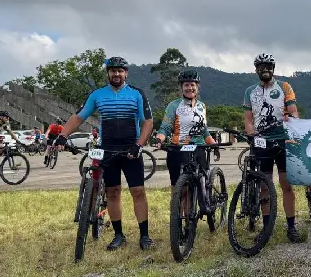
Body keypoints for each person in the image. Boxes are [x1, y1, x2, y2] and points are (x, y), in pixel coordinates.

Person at [54, 56, 155, 251]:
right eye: (113, 70)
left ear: (126, 73)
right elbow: (78, 116)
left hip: (130, 150)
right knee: (112, 192)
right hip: (107, 149)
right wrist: (63, 136)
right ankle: (119, 235)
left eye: (120, 71)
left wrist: (139, 145)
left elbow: (148, 122)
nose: (116, 74)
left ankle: (144, 235)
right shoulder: (97, 95)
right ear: (108, 73)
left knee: (138, 191)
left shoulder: (137, 94)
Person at [243, 53, 302, 243]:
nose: (264, 69)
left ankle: (291, 226)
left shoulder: (284, 87)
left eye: (268, 66)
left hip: (283, 140)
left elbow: (293, 111)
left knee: (286, 184)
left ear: (273, 68)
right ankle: (267, 228)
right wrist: (251, 133)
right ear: (256, 70)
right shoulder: (250, 91)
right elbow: (248, 120)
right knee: (264, 186)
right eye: (260, 67)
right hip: (262, 142)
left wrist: (291, 117)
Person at [155, 69, 219, 216]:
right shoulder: (173, 106)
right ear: (181, 87)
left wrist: (213, 144)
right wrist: (159, 139)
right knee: (180, 190)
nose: (189, 88)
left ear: (197, 87)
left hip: (199, 148)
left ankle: (201, 209)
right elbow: (165, 127)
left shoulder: (202, 106)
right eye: (186, 85)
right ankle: (179, 220)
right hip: (178, 149)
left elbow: (204, 131)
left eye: (192, 85)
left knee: (201, 183)